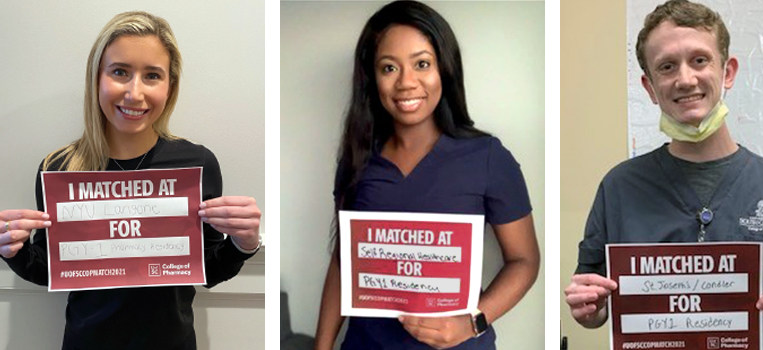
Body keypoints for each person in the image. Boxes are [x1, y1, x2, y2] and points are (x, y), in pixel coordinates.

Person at [564, 1, 763, 349]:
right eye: (667, 66)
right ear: (650, 88)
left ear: (727, 71)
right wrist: (589, 310)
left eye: (699, 60)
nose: (685, 79)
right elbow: (596, 307)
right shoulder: (619, 188)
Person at [0, 11, 261, 349]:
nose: (134, 93)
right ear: (97, 78)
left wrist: (245, 244)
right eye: (120, 72)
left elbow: (206, 270)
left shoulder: (197, 164)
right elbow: (49, 268)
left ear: (170, 86)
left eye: (152, 75)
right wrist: (11, 249)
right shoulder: (60, 168)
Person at [313, 1, 540, 349]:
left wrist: (472, 322)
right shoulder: (358, 159)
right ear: (372, 78)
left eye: (422, 64)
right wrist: (322, 345)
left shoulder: (488, 157)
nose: (406, 82)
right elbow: (345, 260)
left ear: (444, 69)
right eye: (389, 68)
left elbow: (524, 261)